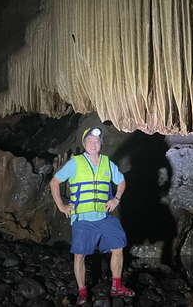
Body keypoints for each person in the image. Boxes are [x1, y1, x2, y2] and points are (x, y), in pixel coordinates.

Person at [50, 126, 135, 305]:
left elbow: (121, 182)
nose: (94, 144)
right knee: (79, 255)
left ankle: (116, 286)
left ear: (101, 144)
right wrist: (61, 206)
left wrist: (116, 199)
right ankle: (82, 292)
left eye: (97, 141)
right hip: (83, 219)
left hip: (104, 217)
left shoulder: (107, 163)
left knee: (118, 247)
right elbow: (54, 182)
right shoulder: (75, 163)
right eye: (90, 141)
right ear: (84, 144)